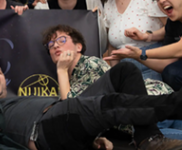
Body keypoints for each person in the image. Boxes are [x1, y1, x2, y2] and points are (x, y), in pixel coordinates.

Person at [0, 10, 182, 150]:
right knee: (109, 104)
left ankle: (148, 139)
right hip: (46, 129)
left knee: (124, 71)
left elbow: (71, 115)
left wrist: (91, 137)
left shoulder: (23, 99)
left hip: (68, 121)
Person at [42, 24, 182, 141]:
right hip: (141, 118)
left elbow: (73, 113)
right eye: (50, 44)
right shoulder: (68, 79)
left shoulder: (91, 64)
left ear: (78, 47)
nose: (55, 46)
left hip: (152, 106)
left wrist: (61, 70)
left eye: (61, 40)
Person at [94, 0, 166, 80]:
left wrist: (146, 36)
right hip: (124, 71)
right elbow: (112, 48)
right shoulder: (108, 3)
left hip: (152, 64)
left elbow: (171, 29)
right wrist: (114, 77)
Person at [108, 0, 182, 91]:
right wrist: (137, 56)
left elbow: (180, 49)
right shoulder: (173, 23)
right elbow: (167, 64)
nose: (162, 1)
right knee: (170, 72)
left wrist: (143, 53)